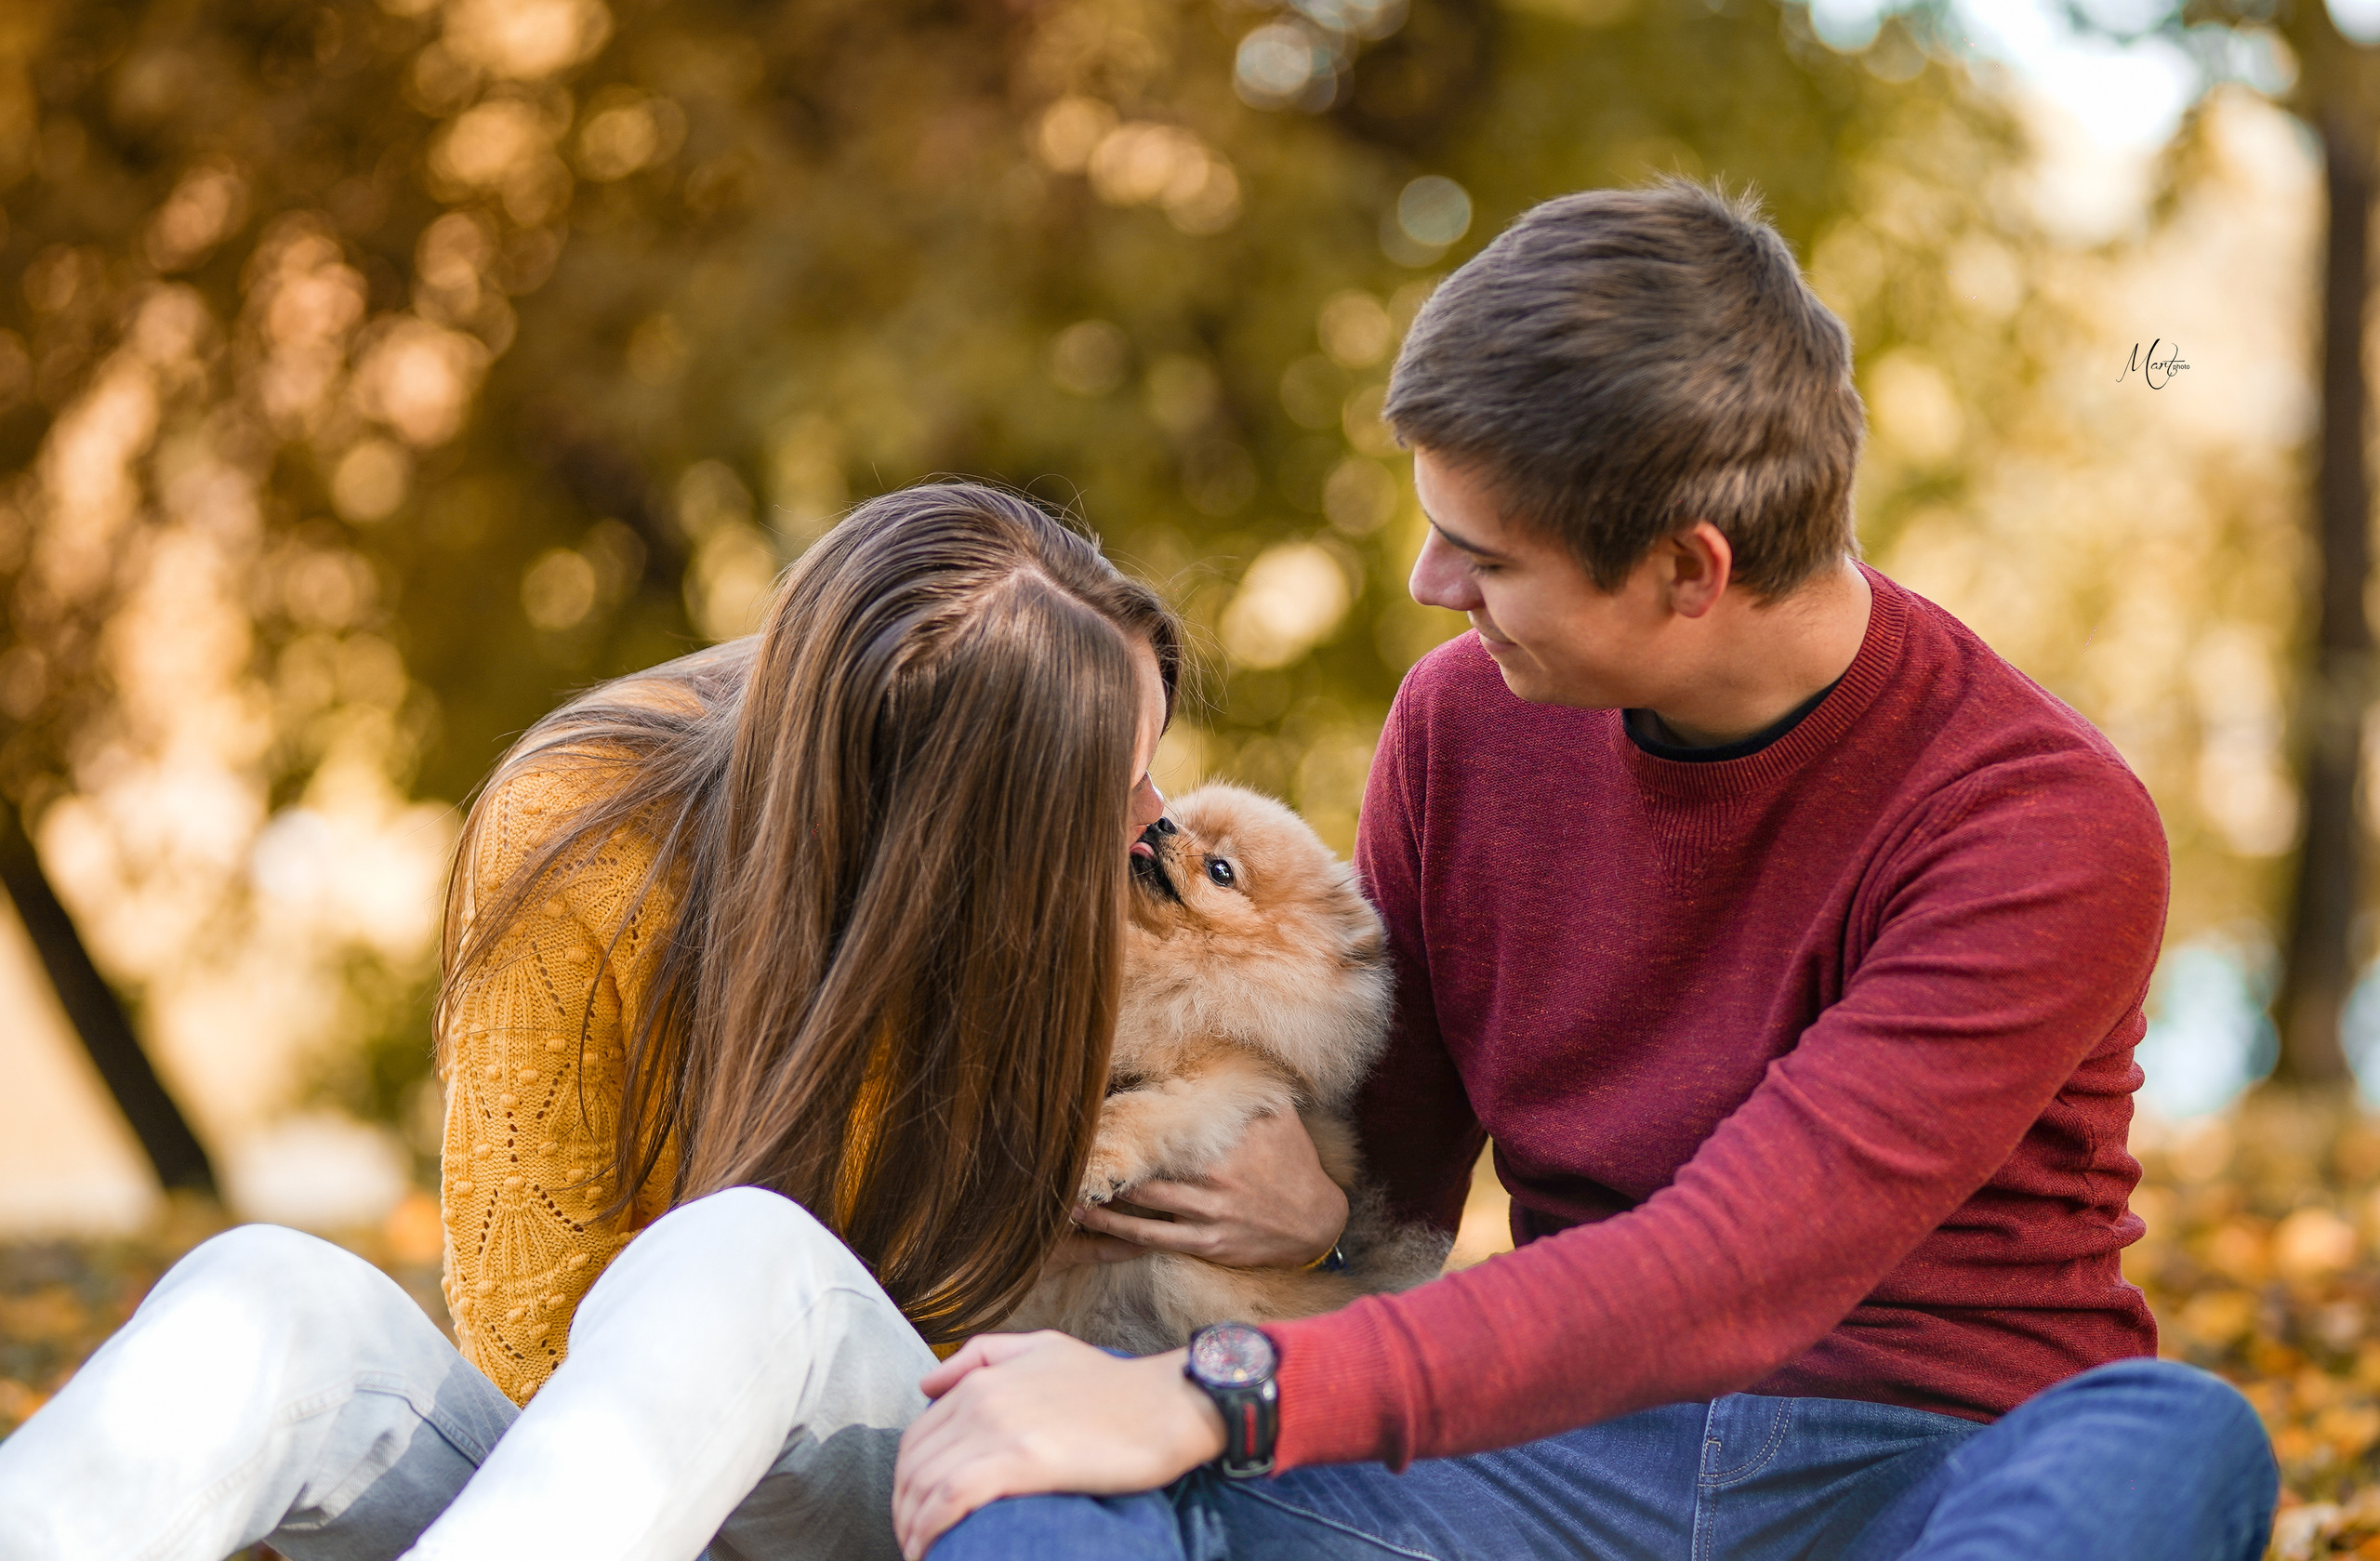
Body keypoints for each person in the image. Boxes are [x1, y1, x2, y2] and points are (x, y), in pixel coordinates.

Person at [892, 183, 2282, 1561]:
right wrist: (1296, 1217)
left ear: (1690, 570)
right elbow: (1386, 1195)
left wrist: (1221, 1394)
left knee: (2174, 1436)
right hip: (1561, 1457)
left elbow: (1742, 1270)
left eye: (1486, 556)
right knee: (1033, 1456)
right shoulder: (1461, 725)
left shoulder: (2037, 820)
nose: (1432, 584)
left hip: (1931, 1467)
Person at [0, 483, 1346, 1561]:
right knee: (270, 1298)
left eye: (1150, 770)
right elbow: (528, 1336)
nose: (1153, 825)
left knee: (748, 1256)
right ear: (950, 820)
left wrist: (1313, 1226)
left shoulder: (1114, 912)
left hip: (918, 1479)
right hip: (599, 1497)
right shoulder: (586, 833)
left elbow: (1142, 1285)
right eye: (1109, 788)